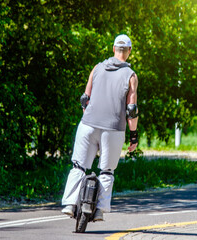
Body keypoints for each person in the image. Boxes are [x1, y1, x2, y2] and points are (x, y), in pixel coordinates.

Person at [61, 34, 138, 221]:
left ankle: (70, 204)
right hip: (113, 129)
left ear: (113, 49)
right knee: (106, 171)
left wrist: (89, 118)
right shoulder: (131, 76)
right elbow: (131, 110)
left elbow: (84, 99)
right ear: (129, 51)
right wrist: (133, 135)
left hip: (88, 124)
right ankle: (99, 211)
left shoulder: (97, 68)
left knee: (78, 166)